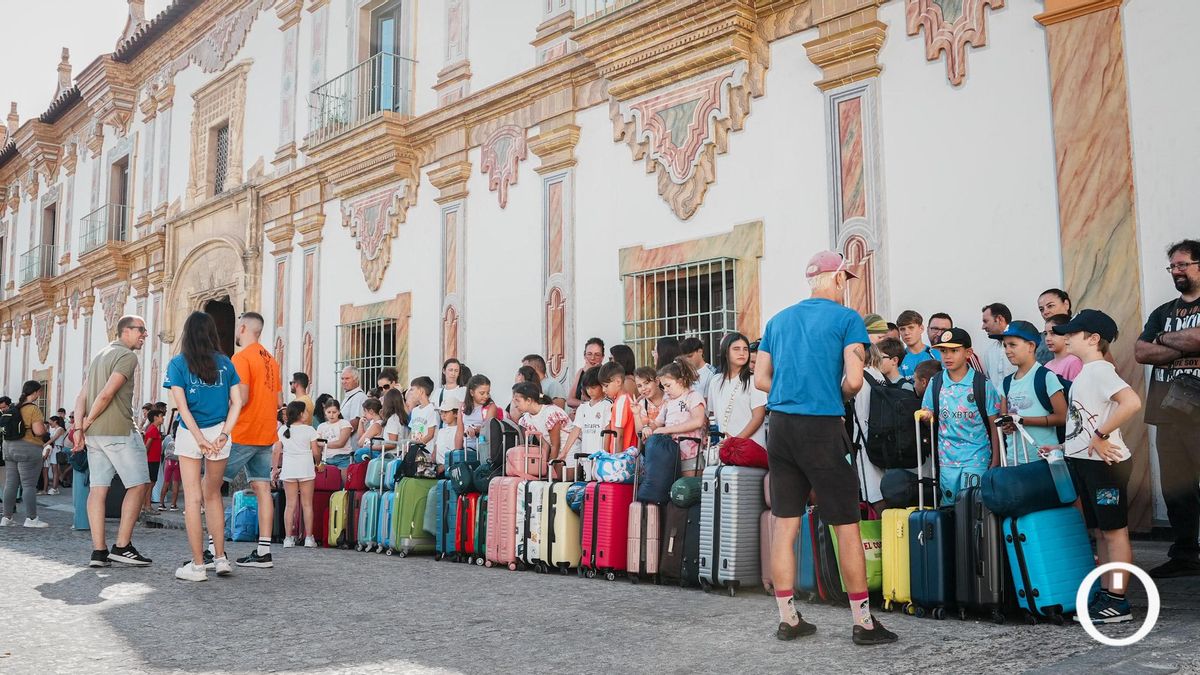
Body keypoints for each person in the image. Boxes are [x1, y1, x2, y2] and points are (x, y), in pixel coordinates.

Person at [754, 250, 896, 645]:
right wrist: (829, 391)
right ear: (836, 278)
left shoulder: (778, 321)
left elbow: (762, 379)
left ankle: (789, 618)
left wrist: (794, 388)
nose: (845, 285)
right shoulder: (847, 319)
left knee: (786, 523)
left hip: (779, 426)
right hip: (820, 426)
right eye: (845, 279)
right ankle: (864, 624)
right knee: (845, 524)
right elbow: (854, 381)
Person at [1053, 310, 1143, 622]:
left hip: (1106, 466)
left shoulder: (1100, 371)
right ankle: (1106, 595)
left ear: (1093, 339)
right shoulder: (1087, 372)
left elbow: (1131, 402)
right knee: (1102, 532)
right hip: (1087, 463)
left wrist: (1102, 434)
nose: (1066, 338)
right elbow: (1083, 420)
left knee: (1114, 532)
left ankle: (1117, 601)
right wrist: (1064, 446)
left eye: (1073, 333)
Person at [1136, 239, 1200, 578]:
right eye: (1172, 266)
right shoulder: (1162, 312)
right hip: (1167, 411)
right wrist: (1173, 342)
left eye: (1182, 264)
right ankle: (1186, 554)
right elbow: (1141, 352)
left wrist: (1162, 341)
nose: (1176, 271)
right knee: (1176, 487)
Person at [164, 311, 243, 582]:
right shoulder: (226, 363)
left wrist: (198, 438)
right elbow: (237, 403)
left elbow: (181, 406)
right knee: (213, 496)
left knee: (193, 499)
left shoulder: (177, 364)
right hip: (220, 431)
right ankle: (220, 558)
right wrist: (223, 435)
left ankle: (198, 566)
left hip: (190, 433)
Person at [73, 315, 153, 567]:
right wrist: (84, 423)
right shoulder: (127, 357)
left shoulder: (99, 355)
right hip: (118, 431)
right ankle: (122, 546)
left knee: (98, 489)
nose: (144, 335)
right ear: (125, 331)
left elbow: (80, 397)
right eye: (141, 330)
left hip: (95, 436)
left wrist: (80, 428)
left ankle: (98, 551)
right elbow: (107, 394)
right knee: (139, 485)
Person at [223, 312, 283, 570]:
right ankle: (264, 550)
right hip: (266, 432)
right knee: (262, 490)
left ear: (244, 327)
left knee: (211, 485)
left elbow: (242, 396)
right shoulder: (271, 360)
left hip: (244, 431)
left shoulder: (241, 357)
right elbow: (279, 401)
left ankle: (214, 548)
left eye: (238, 326)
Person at [919, 328, 1002, 505]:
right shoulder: (936, 382)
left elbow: (994, 424)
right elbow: (928, 411)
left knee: (974, 506)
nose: (948, 356)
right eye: (943, 351)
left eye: (954, 350)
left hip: (977, 457)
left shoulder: (981, 384)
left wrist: (996, 459)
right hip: (946, 460)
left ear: (968, 353)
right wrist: (927, 416)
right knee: (950, 507)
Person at [993, 321, 1067, 465]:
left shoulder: (1046, 377)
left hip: (1044, 459)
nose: (1007, 350)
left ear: (1031, 346)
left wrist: (1022, 420)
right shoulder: (1006, 383)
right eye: (1005, 345)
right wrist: (1007, 426)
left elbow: (1062, 417)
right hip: (1013, 460)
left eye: (1012, 345)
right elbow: (1004, 420)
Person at [851, 338, 910, 510]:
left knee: (873, 494)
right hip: (881, 439)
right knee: (883, 490)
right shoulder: (879, 375)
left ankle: (880, 533)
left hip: (864, 440)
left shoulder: (858, 375)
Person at [1, 381, 51, 528]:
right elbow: (38, 431)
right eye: (39, 392)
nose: (40, 394)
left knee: (10, 484)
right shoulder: (33, 409)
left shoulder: (14, 406)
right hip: (27, 448)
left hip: (8, 447)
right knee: (29, 485)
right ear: (35, 392)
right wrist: (45, 431)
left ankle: (6, 517)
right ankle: (31, 519)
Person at [706, 332, 767, 451]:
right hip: (724, 448)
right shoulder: (715, 381)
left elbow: (758, 417)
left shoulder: (753, 379)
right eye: (736, 349)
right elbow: (713, 415)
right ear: (725, 352)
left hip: (749, 447)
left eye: (745, 349)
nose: (742, 353)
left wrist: (735, 441)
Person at [273, 400, 320, 549]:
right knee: (307, 504)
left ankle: (288, 538)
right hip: (306, 468)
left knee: (290, 504)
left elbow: (276, 451)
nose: (307, 414)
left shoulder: (282, 431)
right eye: (305, 411)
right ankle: (308, 538)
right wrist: (318, 463)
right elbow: (315, 452)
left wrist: (275, 469)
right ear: (300, 414)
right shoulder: (310, 430)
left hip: (289, 469)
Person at [512, 381, 570, 478]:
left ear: (529, 400)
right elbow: (545, 444)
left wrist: (549, 468)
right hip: (555, 451)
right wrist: (542, 467)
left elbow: (556, 445)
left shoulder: (550, 413)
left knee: (558, 481)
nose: (515, 404)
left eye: (518, 400)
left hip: (569, 449)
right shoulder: (527, 418)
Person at [559, 367, 608, 480]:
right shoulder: (582, 408)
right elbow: (576, 430)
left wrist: (606, 454)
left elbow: (608, 431)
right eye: (587, 387)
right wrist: (565, 451)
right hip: (586, 456)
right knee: (588, 486)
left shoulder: (607, 405)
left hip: (601, 457)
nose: (590, 391)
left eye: (593, 387)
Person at [456, 375, 501, 453]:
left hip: (484, 452)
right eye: (482, 393)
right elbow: (459, 432)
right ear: (471, 392)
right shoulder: (463, 408)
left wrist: (476, 429)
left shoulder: (491, 407)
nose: (486, 396)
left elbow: (489, 429)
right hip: (466, 451)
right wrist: (456, 453)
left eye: (488, 393)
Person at [600, 362, 637, 453]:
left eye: (606, 386)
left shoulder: (622, 402)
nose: (603, 390)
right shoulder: (623, 399)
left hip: (621, 458)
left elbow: (619, 435)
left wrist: (616, 459)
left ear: (618, 382)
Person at [980, 303, 1018, 384]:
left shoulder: (1022, 348)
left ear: (999, 319)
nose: (983, 327)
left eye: (985, 321)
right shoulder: (989, 352)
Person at [896, 310, 938, 382]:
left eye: (911, 327)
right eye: (902, 329)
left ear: (921, 328)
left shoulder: (935, 354)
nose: (906, 333)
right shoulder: (897, 358)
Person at [1036, 289, 1073, 364]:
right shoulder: (1039, 338)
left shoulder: (1081, 332)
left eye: (1050, 306)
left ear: (1066, 304)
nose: (1045, 312)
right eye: (1041, 309)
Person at [568, 338, 606, 411]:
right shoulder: (580, 372)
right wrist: (585, 404)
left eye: (597, 355)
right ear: (584, 355)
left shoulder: (605, 374)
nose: (592, 358)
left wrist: (583, 403)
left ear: (602, 357)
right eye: (589, 354)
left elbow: (604, 402)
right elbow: (570, 400)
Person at [1043, 314, 1084, 381]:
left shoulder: (1074, 362)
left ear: (1067, 334)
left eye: (1053, 333)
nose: (1047, 338)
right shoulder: (1047, 366)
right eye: (1045, 334)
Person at [316, 399, 354, 468]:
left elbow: (340, 443)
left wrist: (324, 444)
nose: (331, 415)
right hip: (326, 459)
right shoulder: (321, 426)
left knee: (343, 479)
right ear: (325, 412)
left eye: (334, 412)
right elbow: (317, 443)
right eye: (329, 412)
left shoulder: (345, 423)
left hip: (343, 457)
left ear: (339, 412)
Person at [141, 409, 164, 513]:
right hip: (151, 460)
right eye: (161, 416)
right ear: (155, 418)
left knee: (151, 483)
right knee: (150, 484)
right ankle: (147, 506)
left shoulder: (153, 429)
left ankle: (145, 505)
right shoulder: (153, 429)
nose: (162, 418)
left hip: (153, 459)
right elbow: (148, 445)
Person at [407, 377, 440, 447]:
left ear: (421, 391)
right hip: (413, 450)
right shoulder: (415, 410)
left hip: (425, 451)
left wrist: (417, 446)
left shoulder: (432, 409)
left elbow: (430, 434)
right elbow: (411, 432)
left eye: (412, 389)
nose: (411, 392)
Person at [633, 365, 664, 433]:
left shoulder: (670, 398)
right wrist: (636, 414)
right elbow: (639, 434)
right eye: (639, 386)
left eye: (646, 383)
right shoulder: (642, 404)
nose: (643, 388)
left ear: (657, 382)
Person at [433, 398, 460, 474]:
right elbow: (435, 452)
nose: (443, 415)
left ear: (456, 413)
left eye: (447, 412)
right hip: (437, 469)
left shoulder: (459, 431)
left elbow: (458, 454)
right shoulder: (441, 431)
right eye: (442, 412)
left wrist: (445, 466)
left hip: (451, 470)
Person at [379, 388, 410, 455]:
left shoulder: (393, 419)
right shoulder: (403, 416)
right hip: (401, 453)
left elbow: (392, 444)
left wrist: (373, 447)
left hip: (392, 455)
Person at [42, 415, 67, 495]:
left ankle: (55, 488)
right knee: (54, 469)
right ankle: (54, 487)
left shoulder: (60, 429)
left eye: (50, 422)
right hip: (54, 449)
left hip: (56, 449)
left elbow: (53, 439)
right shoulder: (55, 429)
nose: (49, 424)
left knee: (55, 469)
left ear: (55, 421)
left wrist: (44, 445)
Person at [339, 367, 367, 435]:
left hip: (351, 443)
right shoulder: (349, 395)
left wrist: (340, 438)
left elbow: (355, 422)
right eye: (342, 378)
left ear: (356, 379)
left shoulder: (359, 397)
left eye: (347, 378)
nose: (344, 382)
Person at [160, 425, 181, 511]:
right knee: (176, 483)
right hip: (177, 463)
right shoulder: (181, 441)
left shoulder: (168, 439)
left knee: (166, 482)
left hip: (168, 462)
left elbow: (162, 450)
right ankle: (173, 505)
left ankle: (161, 504)